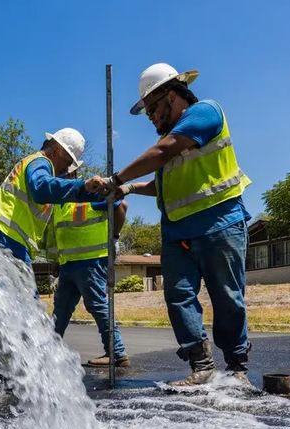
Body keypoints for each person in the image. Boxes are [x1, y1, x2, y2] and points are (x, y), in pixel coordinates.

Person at [86, 63, 254, 386]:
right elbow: (162, 185)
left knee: (227, 298)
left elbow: (163, 152)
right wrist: (130, 187)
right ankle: (201, 366)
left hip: (219, 223)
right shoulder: (172, 138)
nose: (150, 116)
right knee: (178, 296)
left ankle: (236, 370)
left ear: (174, 96)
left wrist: (115, 178)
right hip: (178, 232)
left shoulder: (206, 113)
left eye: (152, 108)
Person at [0, 127, 106, 391]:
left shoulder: (42, 167)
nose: (67, 168)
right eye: (68, 161)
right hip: (0, 237)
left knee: (6, 306)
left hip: (6, 240)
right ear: (58, 150)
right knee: (10, 307)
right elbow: (41, 189)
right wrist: (82, 187)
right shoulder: (40, 163)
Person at [46, 166, 130, 367]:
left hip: (91, 261)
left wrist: (115, 237)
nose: (60, 176)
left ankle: (116, 353)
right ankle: (48, 351)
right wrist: (57, 262)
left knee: (98, 306)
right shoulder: (60, 202)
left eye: (64, 173)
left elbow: (121, 207)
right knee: (61, 309)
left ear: (73, 174)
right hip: (68, 265)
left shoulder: (90, 192)